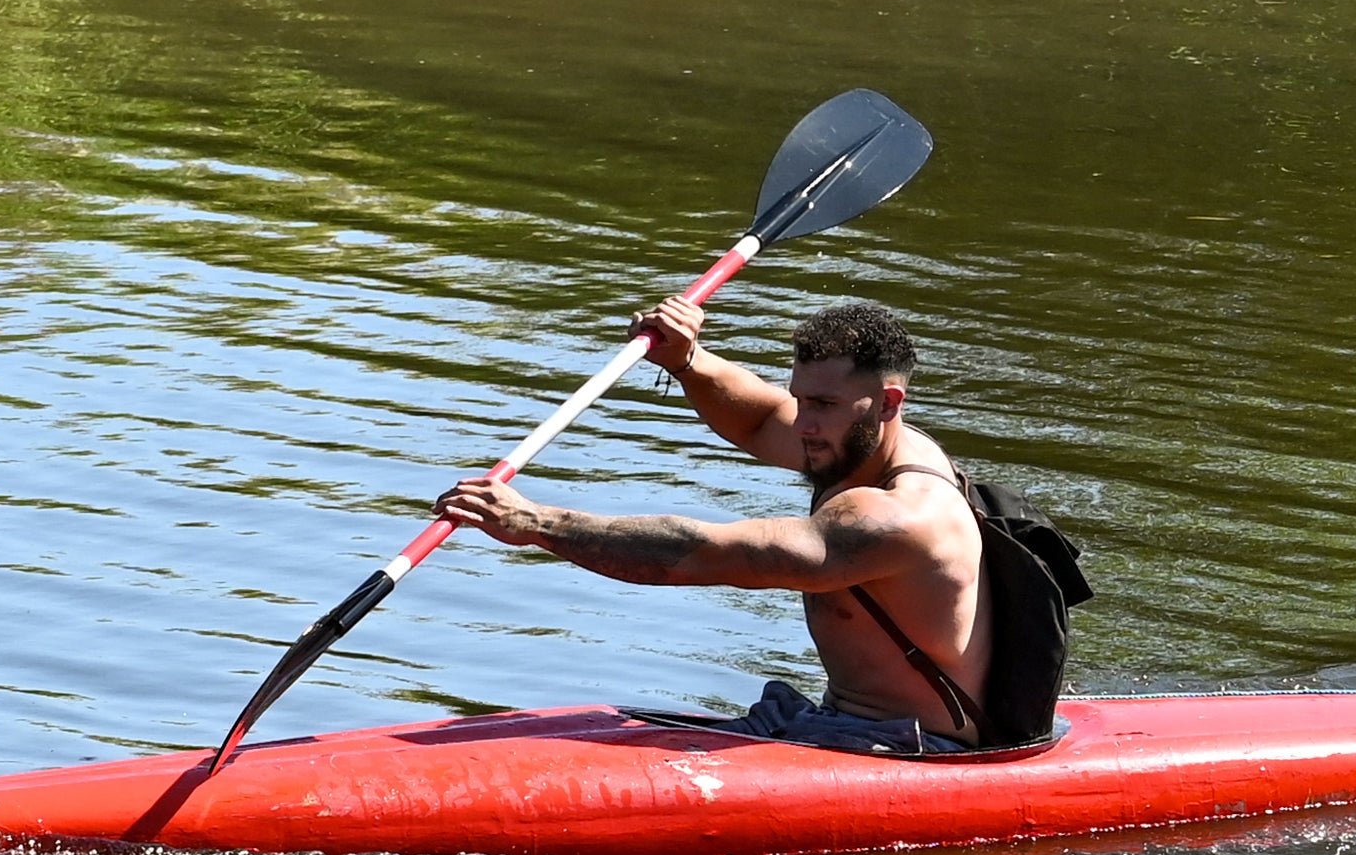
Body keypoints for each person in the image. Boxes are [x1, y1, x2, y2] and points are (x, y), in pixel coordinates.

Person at [428, 296, 1084, 755]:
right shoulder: (852, 440)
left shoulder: (899, 515)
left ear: (888, 403)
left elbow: (699, 557)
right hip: (839, 727)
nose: (802, 424)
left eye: (822, 405)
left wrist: (539, 522)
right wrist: (688, 361)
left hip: (907, 754)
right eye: (801, 398)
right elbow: (755, 419)